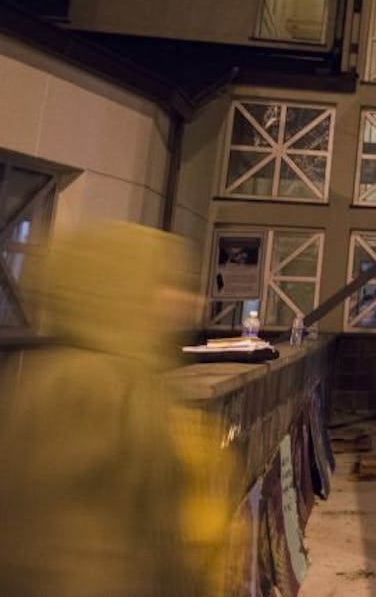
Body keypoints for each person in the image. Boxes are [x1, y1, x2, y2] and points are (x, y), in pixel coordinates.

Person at [0, 221, 235, 595]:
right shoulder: (84, 387)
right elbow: (59, 544)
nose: (191, 302)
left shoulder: (128, 377)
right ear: (116, 290)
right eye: (165, 285)